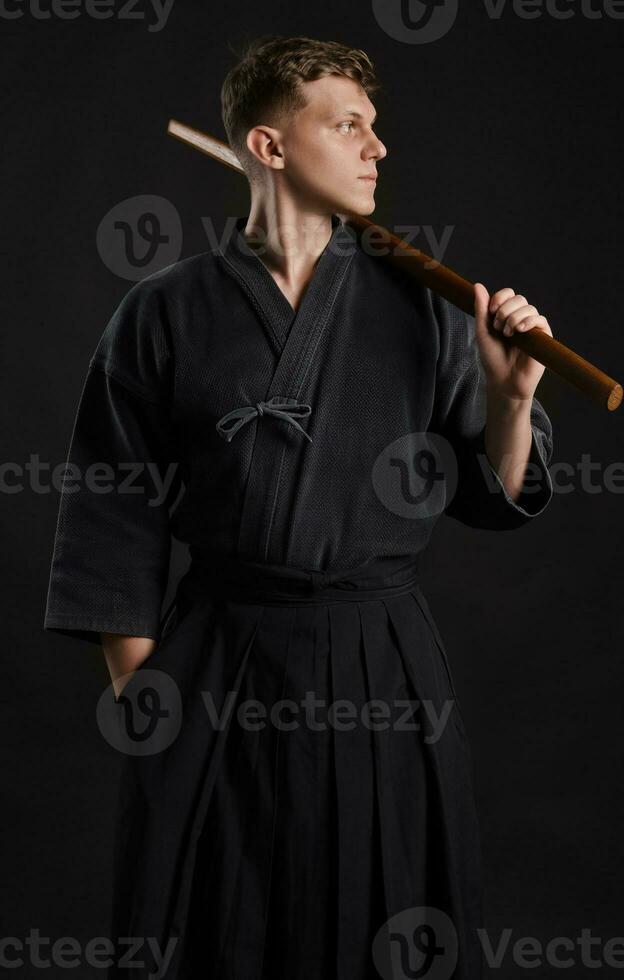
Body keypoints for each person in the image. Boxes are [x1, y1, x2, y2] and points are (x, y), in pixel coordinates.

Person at [43, 34, 555, 980]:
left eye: (375, 126)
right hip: (217, 656)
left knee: (385, 911)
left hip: (381, 658)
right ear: (270, 147)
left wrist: (512, 398)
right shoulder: (163, 313)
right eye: (348, 124)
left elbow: (496, 491)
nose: (377, 148)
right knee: (212, 921)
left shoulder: (425, 309)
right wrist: (146, 693)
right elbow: (111, 508)